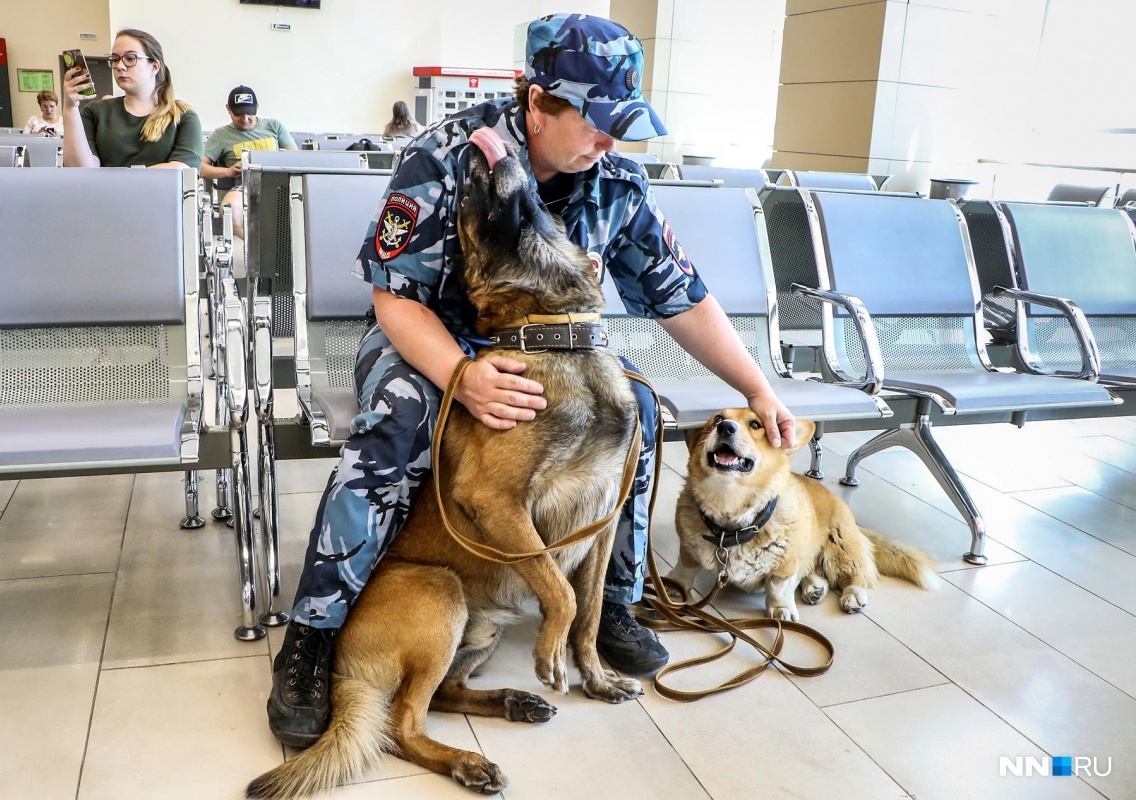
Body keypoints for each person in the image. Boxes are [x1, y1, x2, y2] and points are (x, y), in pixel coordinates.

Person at [265, 12, 798, 748]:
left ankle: (608, 601)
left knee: (636, 405)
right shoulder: (448, 156)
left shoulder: (616, 180)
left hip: (557, 347)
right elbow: (395, 298)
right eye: (597, 121)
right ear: (538, 101)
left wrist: (759, 386)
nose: (611, 140)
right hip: (434, 340)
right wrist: (461, 377)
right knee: (400, 412)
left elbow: (682, 293)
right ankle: (315, 634)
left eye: (622, 123)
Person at [62, 28, 202, 169]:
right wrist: (70, 108)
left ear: (154, 66)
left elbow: (182, 168)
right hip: (105, 192)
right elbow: (81, 170)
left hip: (158, 192)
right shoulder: (94, 112)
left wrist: (119, 179)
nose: (120, 66)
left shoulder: (183, 117)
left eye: (130, 58)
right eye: (115, 59)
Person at [201, 86, 296, 239]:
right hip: (245, 186)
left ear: (257, 107)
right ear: (228, 110)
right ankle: (259, 247)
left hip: (280, 184)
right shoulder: (220, 135)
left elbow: (295, 158)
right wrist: (227, 171)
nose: (245, 119)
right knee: (229, 209)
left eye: (249, 113)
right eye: (238, 114)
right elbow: (199, 168)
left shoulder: (274, 126)